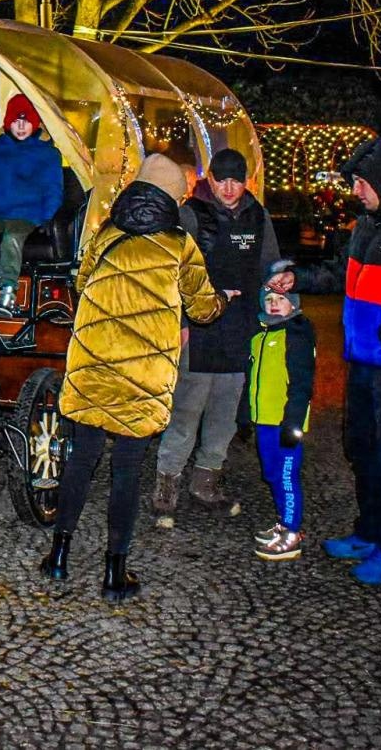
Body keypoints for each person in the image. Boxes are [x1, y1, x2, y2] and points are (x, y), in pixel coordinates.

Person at [39, 154, 233, 601]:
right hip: (141, 377)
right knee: (126, 471)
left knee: (81, 461)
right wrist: (221, 299)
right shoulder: (179, 243)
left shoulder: (105, 233)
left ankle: (60, 557)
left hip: (93, 364)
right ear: (171, 198)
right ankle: (114, 573)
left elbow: (81, 282)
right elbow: (203, 309)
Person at [266, 137, 381, 586]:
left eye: (361, 183)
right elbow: (340, 272)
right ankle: (370, 531)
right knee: (363, 447)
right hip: (365, 359)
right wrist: (301, 278)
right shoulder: (368, 223)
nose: (355, 191)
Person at [150, 147, 280, 522]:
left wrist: (279, 292)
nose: (228, 187)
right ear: (210, 180)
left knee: (225, 411)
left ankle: (205, 482)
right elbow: (173, 270)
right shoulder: (192, 214)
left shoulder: (258, 217)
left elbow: (270, 265)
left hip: (239, 329)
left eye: (236, 180)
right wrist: (182, 325)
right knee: (187, 408)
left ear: (246, 181)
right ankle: (167, 485)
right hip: (201, 327)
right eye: (221, 179)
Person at [0, 95, 63, 317]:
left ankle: (7, 292)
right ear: (8, 122)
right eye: (16, 121)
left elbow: (53, 189)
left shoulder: (47, 154)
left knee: (12, 239)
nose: (21, 126)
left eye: (26, 120)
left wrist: (48, 217)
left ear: (35, 122)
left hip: (26, 214)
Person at [247, 275, 317, 562]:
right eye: (269, 300)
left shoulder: (296, 335)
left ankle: (292, 531)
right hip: (264, 419)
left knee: (287, 477)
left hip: (285, 422)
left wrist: (294, 423)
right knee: (272, 473)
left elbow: (301, 384)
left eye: (281, 300)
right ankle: (282, 522)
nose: (274, 305)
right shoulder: (260, 335)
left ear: (293, 304)